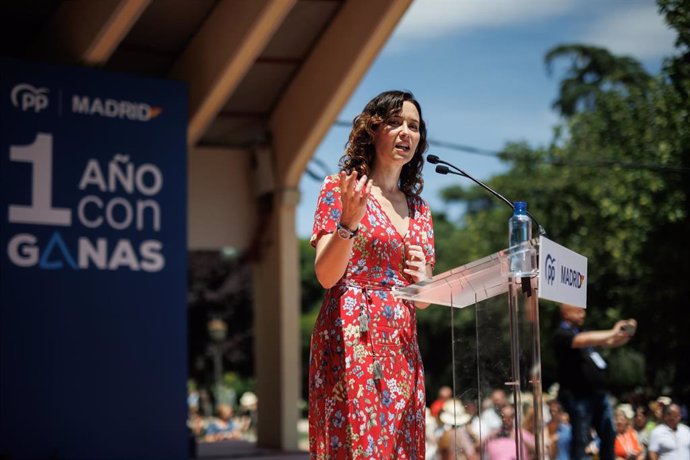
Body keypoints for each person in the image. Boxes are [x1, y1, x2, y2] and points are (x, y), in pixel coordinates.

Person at [308, 90, 435, 458]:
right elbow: (327, 276)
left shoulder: (420, 210)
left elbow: (424, 302)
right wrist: (348, 222)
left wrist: (423, 278)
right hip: (352, 332)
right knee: (357, 443)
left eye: (413, 126)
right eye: (394, 123)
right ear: (372, 131)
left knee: (400, 444)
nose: (405, 133)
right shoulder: (340, 188)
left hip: (401, 342)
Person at [553, 303, 637, 460]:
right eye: (577, 310)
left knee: (608, 434)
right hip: (578, 395)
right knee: (581, 438)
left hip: (598, 394)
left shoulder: (582, 333)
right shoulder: (562, 334)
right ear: (565, 313)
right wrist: (613, 331)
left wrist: (627, 332)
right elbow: (582, 340)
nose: (582, 313)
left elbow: (610, 341)